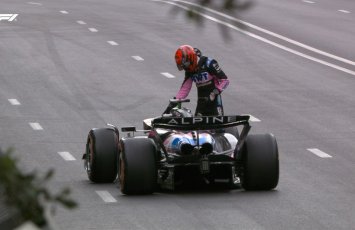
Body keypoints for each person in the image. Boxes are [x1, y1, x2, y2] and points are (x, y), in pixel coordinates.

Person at [169, 45, 229, 116]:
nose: (185, 68)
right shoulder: (189, 71)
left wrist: (215, 92)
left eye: (185, 65)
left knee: (217, 126)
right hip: (201, 103)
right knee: (197, 126)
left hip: (214, 101)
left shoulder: (209, 63)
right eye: (183, 66)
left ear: (191, 59)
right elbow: (185, 88)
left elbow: (225, 80)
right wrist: (175, 101)